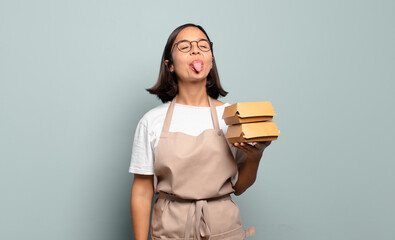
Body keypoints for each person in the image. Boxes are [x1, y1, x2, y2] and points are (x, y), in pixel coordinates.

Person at [129, 23, 272, 240]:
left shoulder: (231, 116)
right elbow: (142, 191)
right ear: (169, 65)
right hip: (171, 230)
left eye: (203, 46)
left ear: (211, 60)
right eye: (185, 47)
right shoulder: (151, 121)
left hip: (223, 229)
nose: (196, 50)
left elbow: (240, 186)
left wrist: (256, 156)